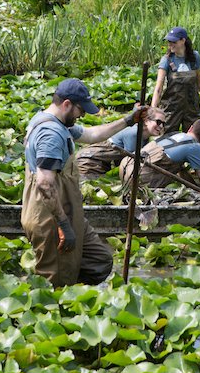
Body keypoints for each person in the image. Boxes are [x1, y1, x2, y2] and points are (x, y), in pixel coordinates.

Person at [21, 78, 148, 287]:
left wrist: (128, 120)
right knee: (55, 281)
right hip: (50, 217)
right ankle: (58, 306)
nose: (82, 115)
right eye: (81, 110)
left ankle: (76, 295)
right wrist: (63, 224)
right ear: (67, 104)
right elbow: (44, 184)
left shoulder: (57, 123)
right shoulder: (50, 134)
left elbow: (92, 134)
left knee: (99, 261)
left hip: (69, 211)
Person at [150, 26, 200, 133]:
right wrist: (153, 109)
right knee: (167, 137)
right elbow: (159, 88)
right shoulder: (166, 60)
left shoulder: (194, 57)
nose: (170, 44)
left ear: (183, 41)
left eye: (173, 41)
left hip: (192, 107)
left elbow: (199, 82)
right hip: (171, 108)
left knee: (193, 137)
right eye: (169, 42)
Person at [77, 107, 167, 179]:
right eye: (158, 122)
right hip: (89, 162)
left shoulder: (145, 137)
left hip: (102, 164)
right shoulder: (134, 134)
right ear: (147, 121)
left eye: (163, 123)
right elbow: (130, 163)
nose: (161, 126)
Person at [119, 119, 200, 188]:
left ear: (190, 128)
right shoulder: (195, 147)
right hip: (139, 179)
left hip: (125, 167)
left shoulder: (175, 134)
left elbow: (180, 171)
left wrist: (192, 185)